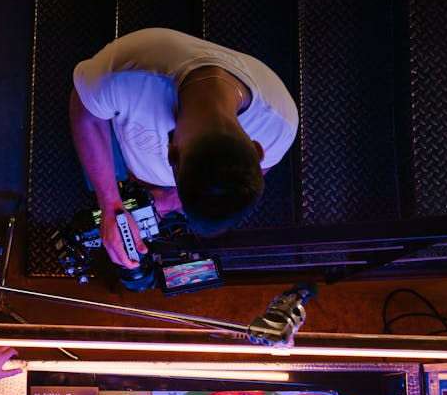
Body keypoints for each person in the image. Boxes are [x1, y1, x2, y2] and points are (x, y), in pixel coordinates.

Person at [70, 27, 299, 269]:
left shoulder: (279, 126)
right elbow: (85, 110)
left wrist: (167, 201)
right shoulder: (121, 74)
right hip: (124, 154)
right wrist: (109, 205)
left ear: (258, 149)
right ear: (170, 153)